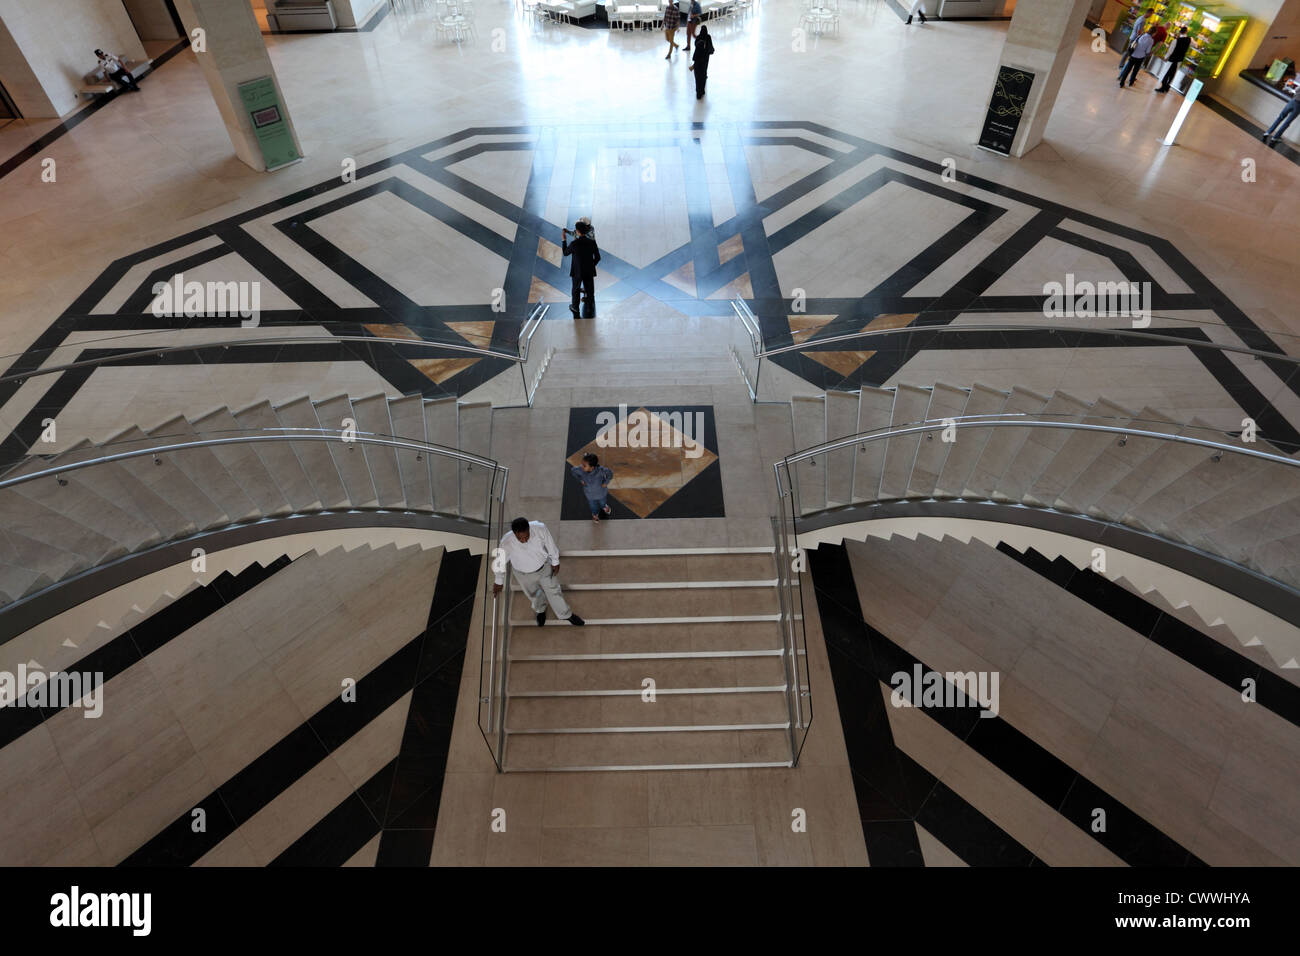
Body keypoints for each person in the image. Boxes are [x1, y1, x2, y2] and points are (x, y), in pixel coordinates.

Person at [492, 517, 584, 626]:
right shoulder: (506, 541)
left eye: (526, 537)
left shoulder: (540, 528)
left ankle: (566, 615)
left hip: (544, 568)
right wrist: (499, 580)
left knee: (554, 591)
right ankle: (540, 610)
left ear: (529, 529)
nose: (524, 541)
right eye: (520, 538)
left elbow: (550, 544)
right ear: (514, 533)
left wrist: (555, 561)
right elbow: (499, 562)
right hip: (523, 574)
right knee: (533, 594)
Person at [561, 220, 600, 318]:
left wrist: (564, 240)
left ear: (577, 231)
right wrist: (591, 265)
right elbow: (598, 257)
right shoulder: (592, 242)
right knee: (590, 289)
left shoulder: (574, 243)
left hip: (577, 271)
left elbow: (565, 253)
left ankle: (575, 307)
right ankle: (590, 306)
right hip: (589, 271)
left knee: (576, 289)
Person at [571, 453, 614, 523]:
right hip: (590, 495)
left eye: (584, 466)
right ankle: (595, 514)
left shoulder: (601, 471)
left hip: (601, 494)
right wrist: (580, 480)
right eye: (582, 464)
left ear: (592, 467)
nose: (581, 466)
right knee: (593, 507)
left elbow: (610, 473)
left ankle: (604, 507)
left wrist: (606, 483)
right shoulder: (581, 470)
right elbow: (573, 471)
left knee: (602, 503)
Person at [1156, 27, 1190, 93]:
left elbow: (1170, 51)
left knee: (1166, 73)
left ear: (1180, 32)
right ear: (1186, 32)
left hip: (1172, 59)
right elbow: (1195, 45)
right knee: (1173, 74)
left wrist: (1165, 57)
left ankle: (1163, 87)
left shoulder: (1176, 40)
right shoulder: (1189, 39)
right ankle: (1167, 87)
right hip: (1179, 60)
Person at [689, 24, 714, 100]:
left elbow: (695, 45)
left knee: (698, 78)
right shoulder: (708, 37)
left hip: (698, 63)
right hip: (705, 60)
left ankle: (698, 92)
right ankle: (702, 91)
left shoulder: (698, 38)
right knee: (703, 76)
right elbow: (711, 49)